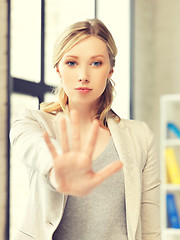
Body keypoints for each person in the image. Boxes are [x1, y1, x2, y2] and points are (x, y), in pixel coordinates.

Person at [10, 18, 161, 240]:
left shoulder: (141, 137)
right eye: (72, 63)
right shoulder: (32, 123)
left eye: (96, 63)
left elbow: (149, 229)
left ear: (110, 70)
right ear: (58, 69)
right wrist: (57, 166)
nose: (83, 75)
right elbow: (33, 146)